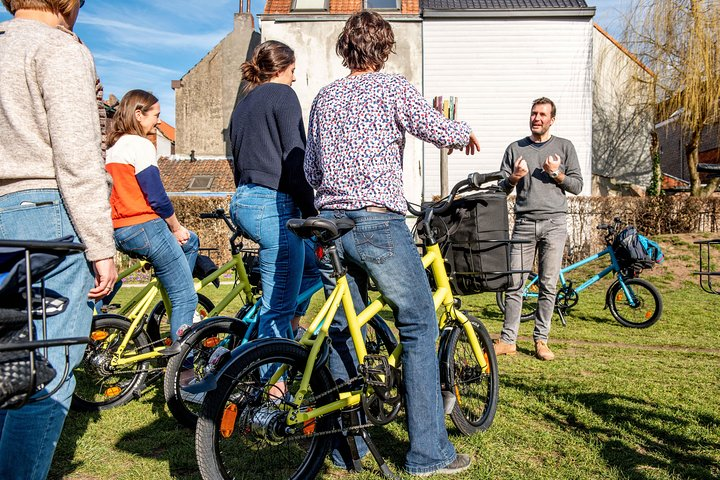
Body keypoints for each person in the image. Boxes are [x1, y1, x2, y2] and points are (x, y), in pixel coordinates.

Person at [304, 10, 480, 477]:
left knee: (344, 329)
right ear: (384, 47)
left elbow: (312, 169)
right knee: (419, 323)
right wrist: (464, 134)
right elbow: (433, 127)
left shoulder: (324, 97)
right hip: (376, 223)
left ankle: (347, 449)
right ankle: (429, 453)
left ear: (346, 47)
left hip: (329, 223)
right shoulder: (392, 87)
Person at [0, 1, 118, 478]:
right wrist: (100, 244)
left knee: (8, 369)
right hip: (46, 215)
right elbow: (77, 156)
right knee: (46, 375)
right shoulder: (59, 48)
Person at [228, 40, 319, 345]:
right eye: (293, 70)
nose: (294, 77)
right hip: (273, 204)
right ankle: (271, 386)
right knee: (276, 307)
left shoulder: (244, 104)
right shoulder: (283, 94)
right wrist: (310, 211)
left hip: (244, 199)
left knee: (314, 265)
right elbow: (295, 159)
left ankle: (289, 334)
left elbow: (237, 158)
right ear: (281, 68)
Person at [494, 97, 583, 361]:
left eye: (543, 114)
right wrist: (514, 178)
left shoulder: (565, 147)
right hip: (523, 224)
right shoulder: (515, 148)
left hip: (555, 224)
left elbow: (577, 186)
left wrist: (556, 173)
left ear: (552, 119)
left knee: (548, 284)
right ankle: (508, 340)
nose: (537, 118)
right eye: (534, 113)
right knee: (514, 283)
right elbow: (500, 189)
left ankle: (541, 340)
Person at [105, 89, 199, 341]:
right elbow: (156, 196)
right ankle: (184, 369)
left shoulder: (112, 148)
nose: (159, 121)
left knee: (191, 242)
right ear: (138, 114)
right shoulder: (140, 144)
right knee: (185, 295)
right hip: (145, 226)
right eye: (156, 115)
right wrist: (175, 227)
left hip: (120, 230)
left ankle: (172, 287)